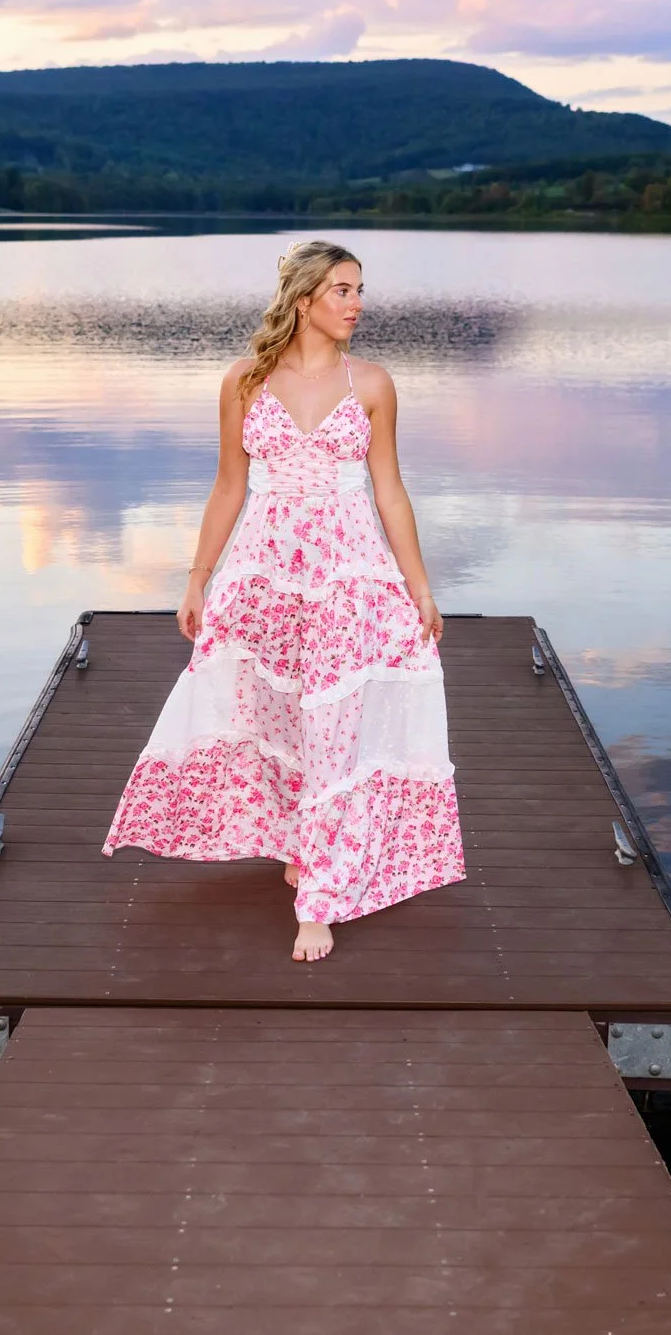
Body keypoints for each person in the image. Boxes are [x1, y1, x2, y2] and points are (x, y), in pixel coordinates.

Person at [102, 240, 465, 961]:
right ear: (304, 300)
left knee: (333, 724)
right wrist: (198, 577)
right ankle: (302, 839)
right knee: (277, 715)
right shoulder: (245, 381)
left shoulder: (373, 385)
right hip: (264, 576)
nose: (357, 303)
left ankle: (318, 899)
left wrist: (419, 587)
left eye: (360, 289)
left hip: (347, 575)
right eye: (342, 290)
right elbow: (228, 487)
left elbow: (389, 492)